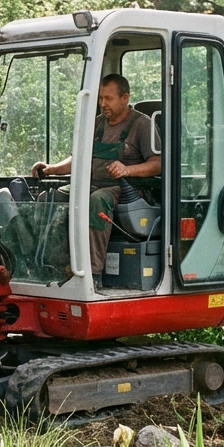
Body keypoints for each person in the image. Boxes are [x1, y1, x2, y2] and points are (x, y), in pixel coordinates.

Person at [31, 73, 160, 287]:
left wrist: (127, 169)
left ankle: (92, 275)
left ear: (125, 98)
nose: (102, 103)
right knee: (49, 198)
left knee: (97, 201)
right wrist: (50, 169)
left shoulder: (142, 125)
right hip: (90, 185)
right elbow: (78, 159)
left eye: (108, 98)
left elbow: (157, 164)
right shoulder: (97, 124)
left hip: (125, 190)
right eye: (100, 98)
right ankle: (50, 265)